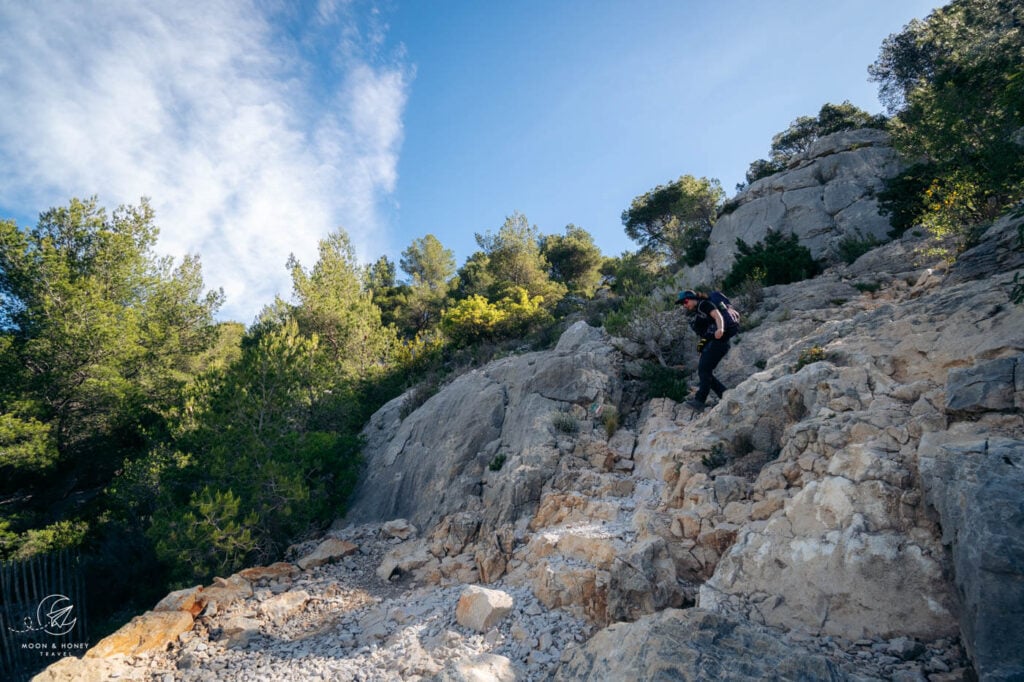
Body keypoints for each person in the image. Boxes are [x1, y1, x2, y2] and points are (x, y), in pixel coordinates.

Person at [676, 289, 733, 410]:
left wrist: (721, 329)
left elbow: (717, 316)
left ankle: (700, 400)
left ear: (693, 298)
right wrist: (702, 349)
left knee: (704, 369)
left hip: (720, 341)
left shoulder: (704, 304)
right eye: (683, 304)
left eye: (685, 301)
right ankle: (725, 394)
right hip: (716, 343)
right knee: (704, 371)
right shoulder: (699, 312)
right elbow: (705, 334)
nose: (685, 305)